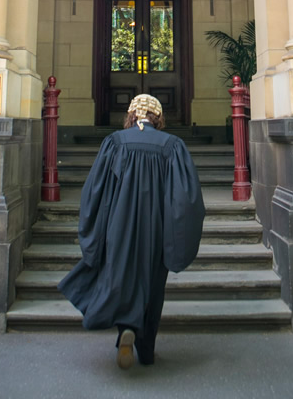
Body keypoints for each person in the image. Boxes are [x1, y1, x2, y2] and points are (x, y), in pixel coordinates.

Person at [57, 94, 205, 370]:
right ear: (158, 118)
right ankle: (146, 350)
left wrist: (97, 230)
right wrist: (177, 233)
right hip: (157, 229)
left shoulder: (114, 143)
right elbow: (185, 199)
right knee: (152, 285)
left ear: (131, 116)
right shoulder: (172, 146)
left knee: (122, 277)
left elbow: (95, 192)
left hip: (118, 226)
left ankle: (126, 328)